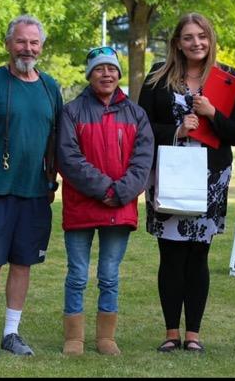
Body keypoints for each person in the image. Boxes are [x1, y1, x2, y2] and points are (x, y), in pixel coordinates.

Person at [138, 13, 235, 353]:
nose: (196, 43)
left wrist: (212, 113)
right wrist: (177, 130)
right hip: (168, 174)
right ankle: (171, 332)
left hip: (210, 177)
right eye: (188, 37)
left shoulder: (227, 78)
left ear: (210, 39)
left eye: (202, 36)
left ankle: (193, 334)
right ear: (177, 43)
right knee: (170, 255)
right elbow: (141, 126)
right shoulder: (158, 76)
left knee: (199, 255)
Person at [0, 14, 63, 359]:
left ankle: (11, 333)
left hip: (35, 191)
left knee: (23, 262)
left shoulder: (50, 87)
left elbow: (56, 137)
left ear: (41, 47)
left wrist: (53, 178)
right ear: (8, 44)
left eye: (34, 42)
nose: (27, 48)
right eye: (20, 41)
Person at [57, 46, 154, 357]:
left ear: (119, 74)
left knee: (109, 275)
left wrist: (121, 192)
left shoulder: (136, 115)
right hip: (81, 205)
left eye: (111, 69)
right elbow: (68, 158)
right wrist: (105, 190)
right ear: (89, 75)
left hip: (119, 207)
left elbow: (143, 161)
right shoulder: (71, 112)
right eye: (99, 69)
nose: (106, 74)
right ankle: (74, 337)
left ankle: (105, 337)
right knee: (77, 274)